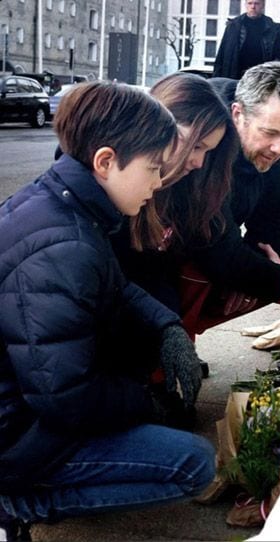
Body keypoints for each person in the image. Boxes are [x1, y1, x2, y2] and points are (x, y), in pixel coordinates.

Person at [0, 82, 214, 540]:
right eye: (153, 168)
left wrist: (167, 328)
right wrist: (146, 403)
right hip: (13, 435)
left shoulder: (59, 202)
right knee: (193, 464)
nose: (159, 184)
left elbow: (114, 287)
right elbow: (65, 400)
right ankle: (18, 503)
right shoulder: (66, 245)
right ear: (105, 161)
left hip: (21, 407)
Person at [118, 62, 280, 341]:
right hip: (167, 260)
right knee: (206, 271)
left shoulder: (265, 145)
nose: (279, 148)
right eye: (270, 133)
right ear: (237, 114)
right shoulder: (206, 139)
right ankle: (167, 343)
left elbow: (277, 217)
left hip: (194, 253)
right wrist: (271, 279)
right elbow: (212, 246)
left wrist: (250, 273)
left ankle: (176, 338)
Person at [212, 0, 280, 80]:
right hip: (234, 76)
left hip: (262, 79)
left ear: (263, 5)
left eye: (257, 3)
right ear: (245, 5)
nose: (253, 7)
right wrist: (216, 80)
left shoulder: (274, 30)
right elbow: (221, 54)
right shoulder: (233, 27)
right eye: (250, 3)